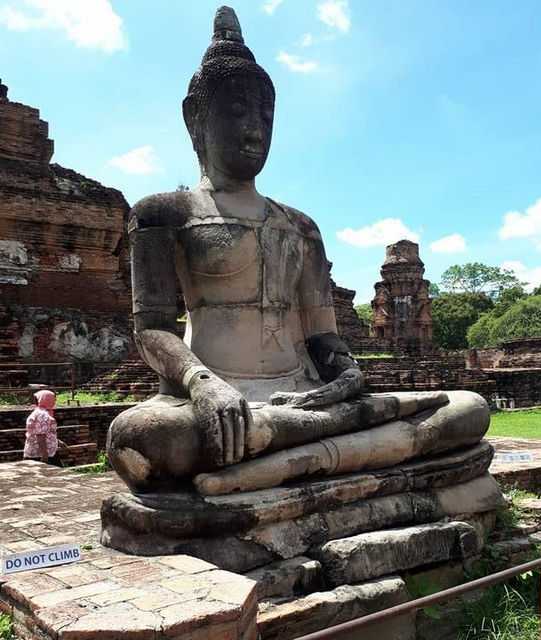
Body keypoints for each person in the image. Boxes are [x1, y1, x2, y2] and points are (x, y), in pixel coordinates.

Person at [106, 6, 489, 494]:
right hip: (212, 399)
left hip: (306, 399)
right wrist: (205, 385)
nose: (255, 130)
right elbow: (152, 332)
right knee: (142, 440)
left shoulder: (301, 226)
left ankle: (265, 466)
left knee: (467, 408)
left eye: (266, 116)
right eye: (238, 112)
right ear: (194, 116)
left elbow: (322, 338)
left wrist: (346, 376)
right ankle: (330, 461)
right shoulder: (164, 213)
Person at [23, 390, 66, 466]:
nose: (55, 401)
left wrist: (58, 442)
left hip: (43, 451)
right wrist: (44, 455)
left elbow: (45, 432)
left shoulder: (40, 412)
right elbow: (40, 435)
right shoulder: (43, 415)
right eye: (54, 398)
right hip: (42, 452)